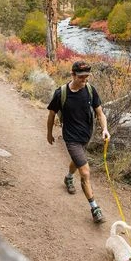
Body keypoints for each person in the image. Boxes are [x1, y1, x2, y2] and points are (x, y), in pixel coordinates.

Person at [47, 61, 110, 223]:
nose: (84, 80)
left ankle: (68, 177)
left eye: (87, 76)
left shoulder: (90, 90)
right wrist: (49, 133)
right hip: (71, 138)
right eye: (81, 77)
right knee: (85, 172)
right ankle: (95, 208)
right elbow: (52, 114)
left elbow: (100, 113)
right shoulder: (61, 93)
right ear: (73, 75)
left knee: (77, 161)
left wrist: (104, 129)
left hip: (86, 136)